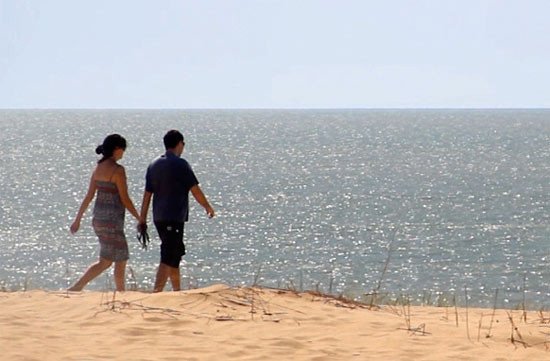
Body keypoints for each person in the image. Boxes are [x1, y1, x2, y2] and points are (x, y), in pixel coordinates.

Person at [139, 129, 215, 292]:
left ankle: (177, 292)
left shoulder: (153, 165)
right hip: (172, 217)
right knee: (168, 255)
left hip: (159, 217)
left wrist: (142, 218)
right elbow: (195, 190)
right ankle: (156, 293)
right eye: (183, 144)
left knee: (175, 255)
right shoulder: (180, 164)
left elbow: (147, 195)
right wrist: (207, 207)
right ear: (179, 144)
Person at [69, 134, 142, 291]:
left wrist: (78, 220)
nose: (123, 153)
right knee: (121, 258)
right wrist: (139, 218)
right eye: (123, 149)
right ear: (116, 149)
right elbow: (125, 199)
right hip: (112, 221)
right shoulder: (118, 170)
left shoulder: (98, 168)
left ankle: (77, 287)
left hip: (99, 220)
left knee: (106, 261)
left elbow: (89, 196)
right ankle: (121, 293)